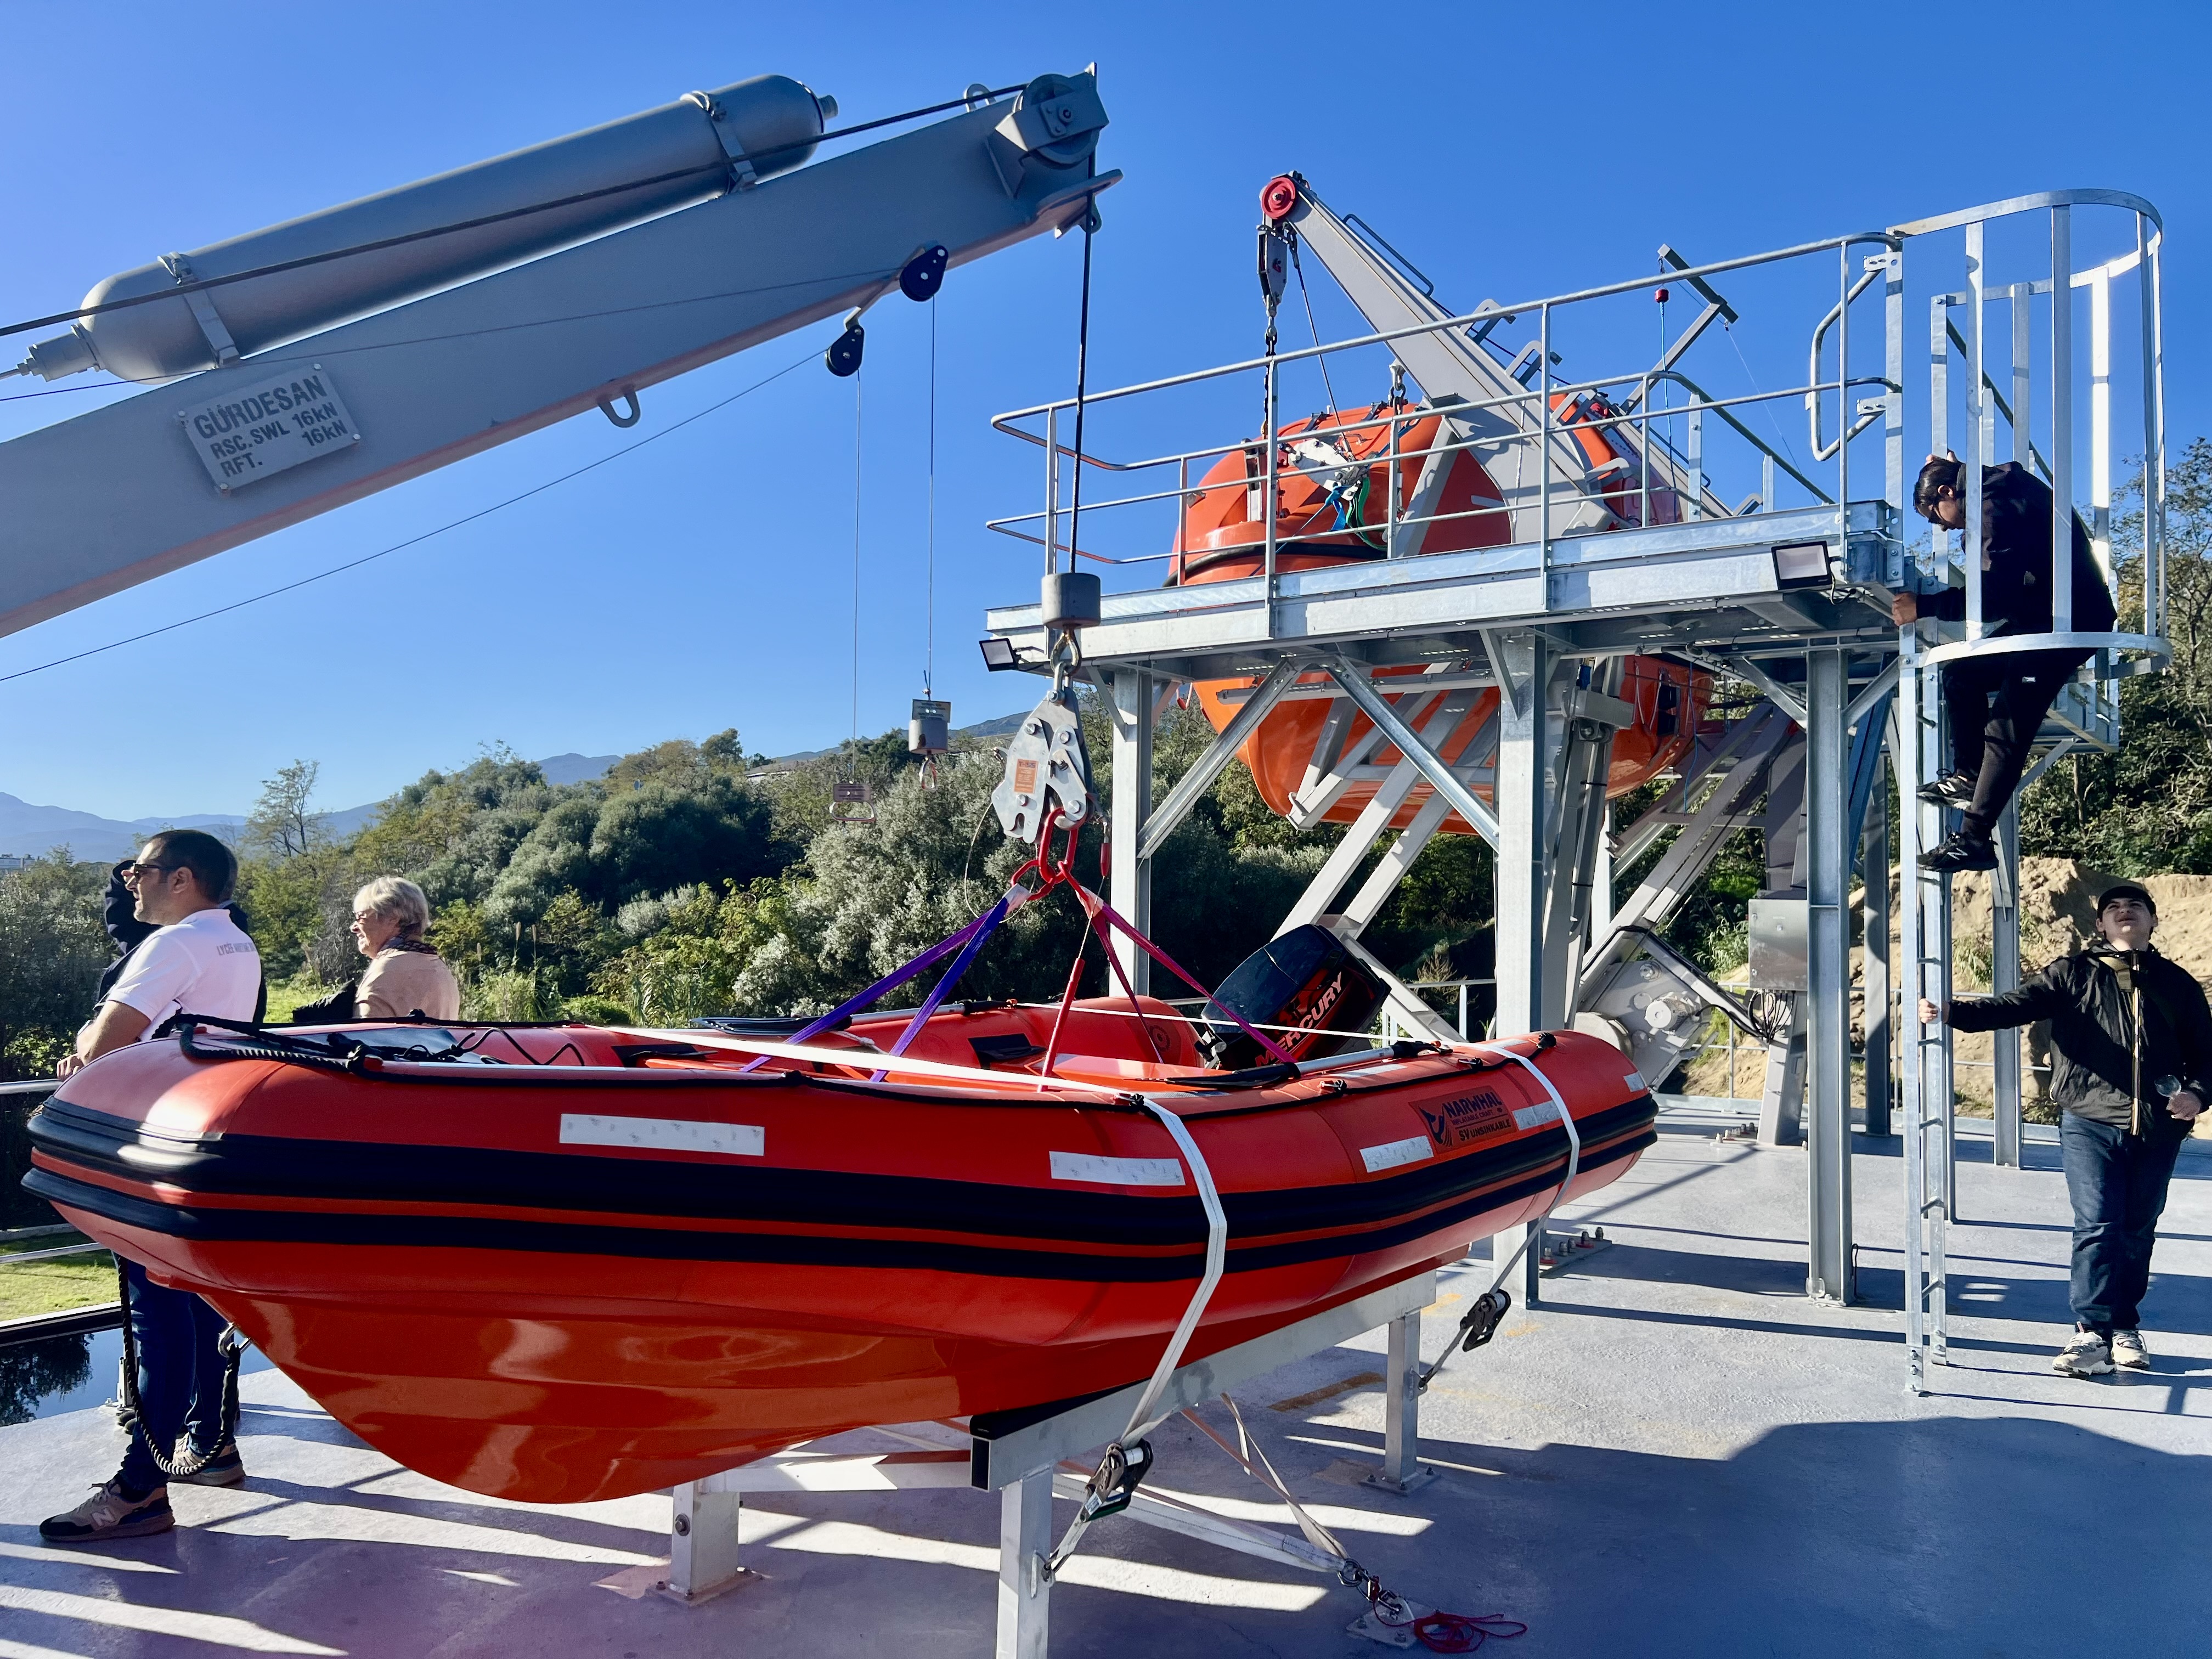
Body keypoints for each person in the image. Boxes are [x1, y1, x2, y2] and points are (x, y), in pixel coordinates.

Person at [42, 830, 263, 1543]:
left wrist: (79, 1052)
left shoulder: (174, 944)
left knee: (154, 1315)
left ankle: (140, 1489)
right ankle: (211, 1446)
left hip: (147, 1146)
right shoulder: (238, 944)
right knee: (195, 1300)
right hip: (196, 1141)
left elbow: (104, 1045)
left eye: (140, 870)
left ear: (182, 879)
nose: (130, 881)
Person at [1918, 882, 2212, 1378]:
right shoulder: (2072, 974)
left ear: (2152, 922)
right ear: (2099, 924)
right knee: (2098, 1224)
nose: (2125, 913)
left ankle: (2125, 1328)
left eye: (2135, 907)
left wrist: (2198, 1095)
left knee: (2138, 1229)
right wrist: (1952, 1013)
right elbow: (2015, 1006)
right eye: (2114, 909)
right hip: (2089, 1121)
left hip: (2159, 1130)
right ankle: (2091, 1332)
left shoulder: (2178, 983)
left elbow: (2206, 1055)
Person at [1892, 453, 2117, 874]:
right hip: (2042, 616)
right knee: (1962, 675)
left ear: (1947, 493)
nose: (1942, 526)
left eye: (1935, 516)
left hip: (2069, 621)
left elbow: (1992, 597)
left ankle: (1975, 840)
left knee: (2008, 722)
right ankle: (1967, 774)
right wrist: (1955, 467)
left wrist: (1924, 606)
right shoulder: (1990, 486)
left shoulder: (1992, 505)